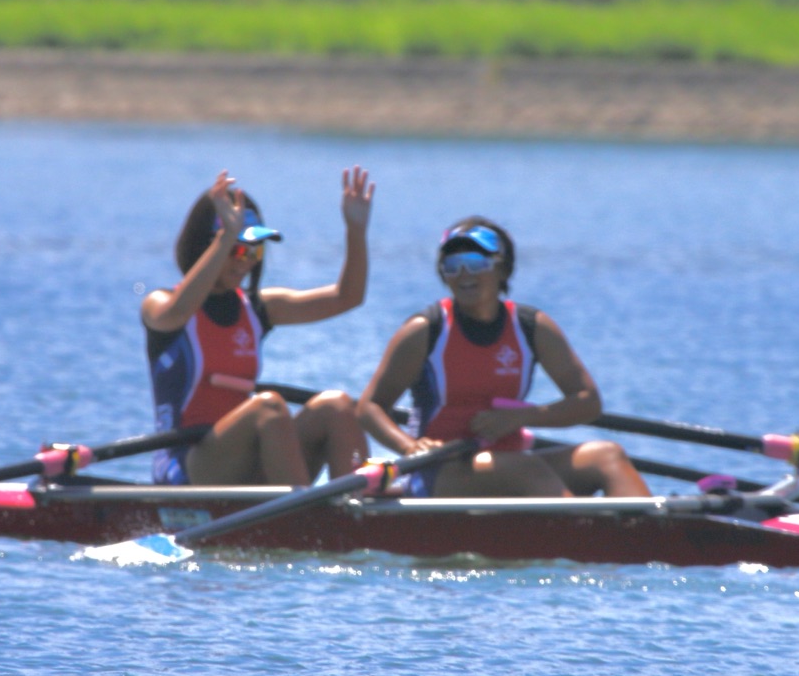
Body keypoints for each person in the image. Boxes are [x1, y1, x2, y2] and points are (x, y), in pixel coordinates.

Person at [356, 217, 649, 499]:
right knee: (525, 469)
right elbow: (370, 407)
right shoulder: (424, 331)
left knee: (607, 455)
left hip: (512, 461)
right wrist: (410, 448)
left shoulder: (532, 327)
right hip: (440, 469)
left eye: (475, 263)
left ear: (503, 269)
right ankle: (586, 525)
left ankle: (650, 527)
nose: (464, 275)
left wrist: (523, 416)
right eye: (452, 266)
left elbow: (588, 402)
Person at [143, 168, 374, 486]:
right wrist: (226, 236)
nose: (246, 260)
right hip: (187, 464)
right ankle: (305, 511)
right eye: (237, 248)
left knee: (337, 406)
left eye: (255, 249)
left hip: (248, 457)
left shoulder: (257, 308)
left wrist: (356, 231)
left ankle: (358, 507)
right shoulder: (159, 305)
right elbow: (177, 311)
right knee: (269, 407)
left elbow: (347, 297)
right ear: (208, 245)